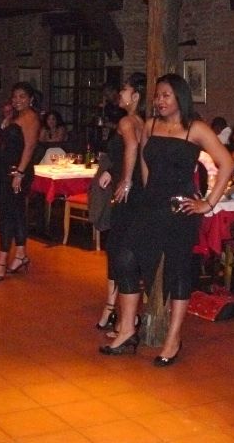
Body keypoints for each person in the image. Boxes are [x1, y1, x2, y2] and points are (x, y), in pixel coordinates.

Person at [106, 74, 233, 359]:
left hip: (179, 208)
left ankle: (173, 340)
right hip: (151, 204)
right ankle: (127, 329)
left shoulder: (196, 128)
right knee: (125, 258)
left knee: (178, 271)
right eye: (157, 95)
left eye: (166, 95)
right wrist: (147, 189)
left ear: (180, 97)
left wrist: (208, 203)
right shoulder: (151, 125)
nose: (159, 101)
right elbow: (144, 159)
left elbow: (226, 163)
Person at [93, 73, 144, 337]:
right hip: (136, 192)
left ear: (135, 96)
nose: (120, 93)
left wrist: (125, 180)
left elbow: (132, 148)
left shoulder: (127, 121)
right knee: (121, 251)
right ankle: (118, 312)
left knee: (119, 252)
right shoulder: (141, 121)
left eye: (124, 89)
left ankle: (126, 319)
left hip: (129, 195)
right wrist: (115, 173)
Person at [0, 82, 40, 282]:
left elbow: (30, 147)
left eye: (22, 96)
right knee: (17, 213)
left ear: (30, 99)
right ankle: (20, 255)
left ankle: (2, 261)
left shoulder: (31, 117)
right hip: (6, 170)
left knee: (6, 216)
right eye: (15, 96)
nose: (17, 100)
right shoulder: (17, 116)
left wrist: (19, 173)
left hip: (16, 172)